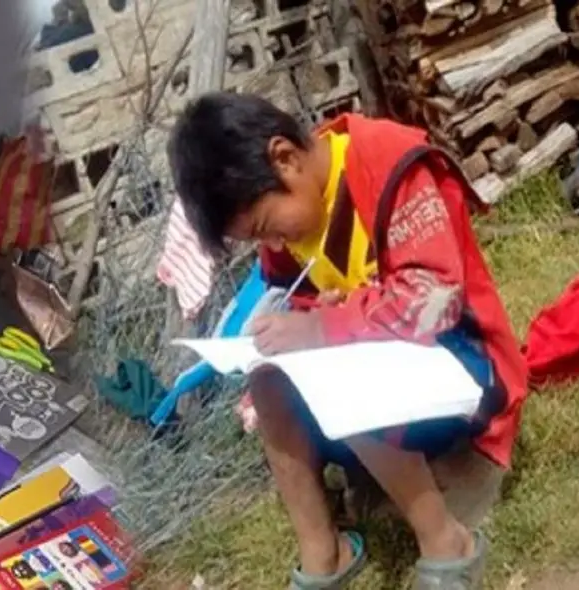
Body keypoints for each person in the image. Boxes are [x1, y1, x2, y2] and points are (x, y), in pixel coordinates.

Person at [167, 92, 527, 589]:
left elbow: (434, 301)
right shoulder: (294, 226)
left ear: (285, 158)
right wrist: (296, 325)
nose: (271, 247)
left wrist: (322, 328)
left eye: (266, 228)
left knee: (335, 368)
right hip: (397, 387)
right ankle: (324, 554)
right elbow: (298, 299)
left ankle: (447, 542)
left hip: (466, 366)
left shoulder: (386, 162)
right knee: (269, 379)